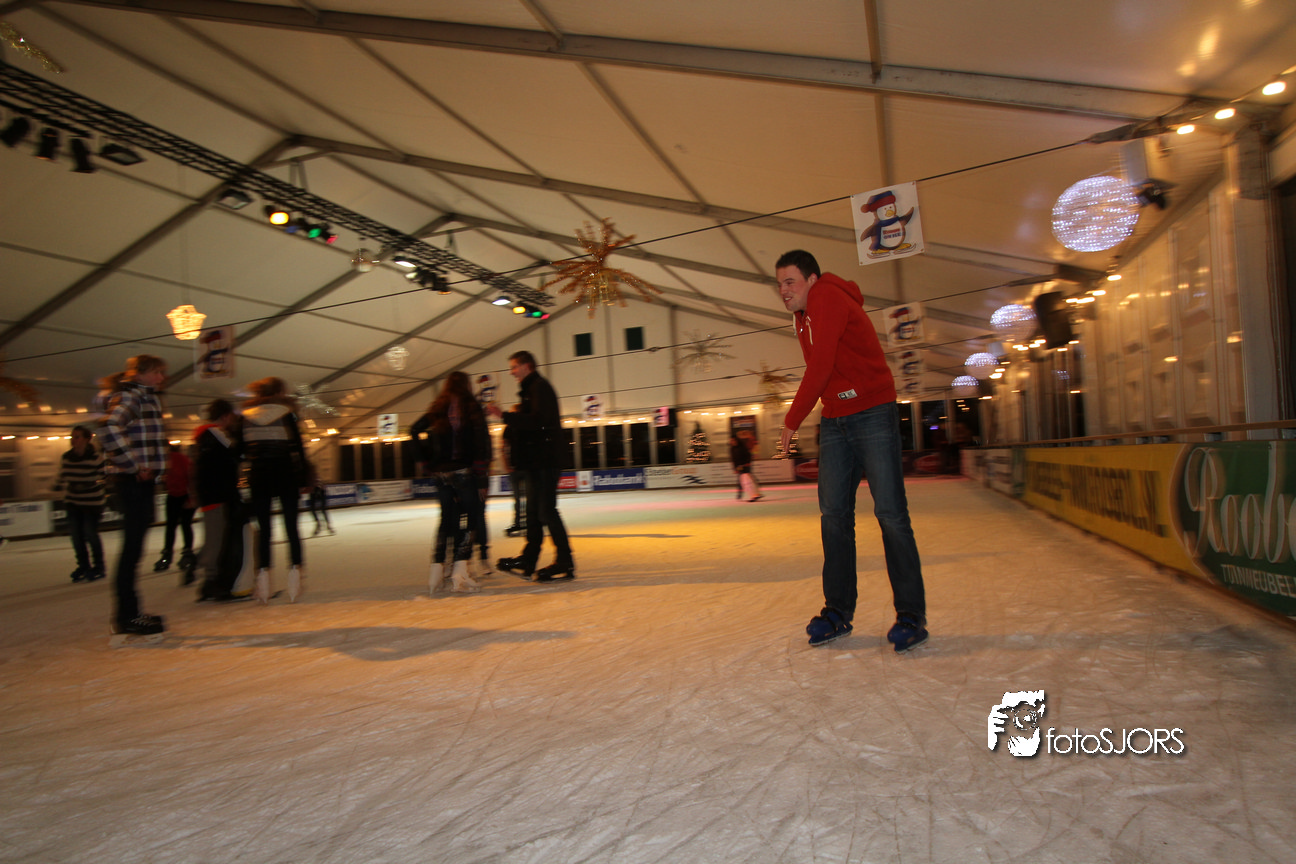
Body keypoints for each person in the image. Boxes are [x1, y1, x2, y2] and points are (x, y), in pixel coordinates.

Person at [775, 250, 928, 652]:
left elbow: (822, 364)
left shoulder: (827, 296)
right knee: (834, 516)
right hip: (836, 417)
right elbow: (825, 369)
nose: (783, 290)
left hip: (872, 411)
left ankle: (910, 615)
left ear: (811, 279)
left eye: (790, 281)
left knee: (890, 514)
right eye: (779, 284)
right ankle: (837, 612)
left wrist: (792, 419)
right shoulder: (802, 317)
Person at [487, 351, 574, 582]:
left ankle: (565, 561)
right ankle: (529, 558)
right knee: (534, 514)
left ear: (527, 366)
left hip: (545, 461)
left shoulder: (540, 387)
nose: (511, 372)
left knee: (546, 511)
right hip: (536, 462)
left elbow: (538, 421)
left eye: (514, 367)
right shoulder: (531, 389)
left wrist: (505, 416)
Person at [99, 354, 168, 637]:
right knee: (131, 549)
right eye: (156, 372)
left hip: (139, 481)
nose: (161, 377)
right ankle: (127, 615)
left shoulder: (145, 398)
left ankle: (130, 612)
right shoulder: (132, 397)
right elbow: (108, 428)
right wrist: (134, 465)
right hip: (133, 481)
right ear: (139, 374)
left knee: (134, 548)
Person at [411, 371, 491, 594]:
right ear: (466, 385)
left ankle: (436, 570)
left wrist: (424, 461)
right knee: (472, 519)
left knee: (446, 520)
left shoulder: (438, 406)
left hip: (440, 474)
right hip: (463, 472)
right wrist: (482, 475)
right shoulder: (471, 406)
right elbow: (482, 441)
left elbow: (414, 430)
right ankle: (460, 571)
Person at [242, 377, 307, 604]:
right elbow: (298, 448)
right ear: (279, 392)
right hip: (285, 474)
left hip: (259, 477)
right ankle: (294, 577)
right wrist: (303, 475)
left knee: (265, 531)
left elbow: (241, 450)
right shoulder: (287, 414)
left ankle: (263, 581)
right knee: (291, 528)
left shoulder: (246, 416)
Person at [193, 399, 245, 602]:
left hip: (210, 495)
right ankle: (211, 581)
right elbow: (236, 452)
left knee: (214, 537)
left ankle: (210, 580)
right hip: (217, 495)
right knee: (216, 539)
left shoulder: (204, 437)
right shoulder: (215, 434)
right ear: (226, 416)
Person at [56, 425, 107, 582]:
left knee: (90, 533)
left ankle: (98, 566)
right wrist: (57, 485)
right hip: (73, 501)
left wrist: (97, 484)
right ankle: (83, 565)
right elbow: (62, 475)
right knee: (76, 536)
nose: (73, 440)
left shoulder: (95, 457)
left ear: (86, 439)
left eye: (77, 437)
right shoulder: (66, 457)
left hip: (92, 502)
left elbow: (105, 476)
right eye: (72, 437)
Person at [154, 442, 197, 581]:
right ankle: (167, 554)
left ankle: (187, 552)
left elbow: (191, 477)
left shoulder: (180, 459)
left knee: (185, 524)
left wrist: (191, 498)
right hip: (173, 495)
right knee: (171, 525)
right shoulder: (162, 461)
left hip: (185, 495)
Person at [501, 424, 526, 537]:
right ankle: (523, 522)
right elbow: (503, 448)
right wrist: (507, 466)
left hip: (520, 468)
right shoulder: (511, 428)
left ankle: (520, 522)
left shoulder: (510, 428)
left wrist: (507, 466)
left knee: (519, 498)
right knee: (522, 498)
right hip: (520, 468)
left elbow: (503, 448)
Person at [729, 434, 763, 502]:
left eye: (733, 440)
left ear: (736, 440)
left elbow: (748, 455)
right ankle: (755, 494)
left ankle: (754, 495)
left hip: (745, 466)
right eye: (731, 441)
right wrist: (735, 468)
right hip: (739, 467)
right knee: (745, 481)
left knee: (746, 481)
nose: (732, 442)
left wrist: (748, 463)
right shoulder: (732, 449)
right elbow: (733, 459)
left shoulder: (742, 447)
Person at [306, 461, 334, 536]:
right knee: (313, 508)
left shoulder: (313, 475)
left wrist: (318, 489)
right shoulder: (309, 475)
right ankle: (319, 524)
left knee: (322, 509)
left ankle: (327, 525)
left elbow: (318, 482)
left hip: (320, 490)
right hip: (314, 490)